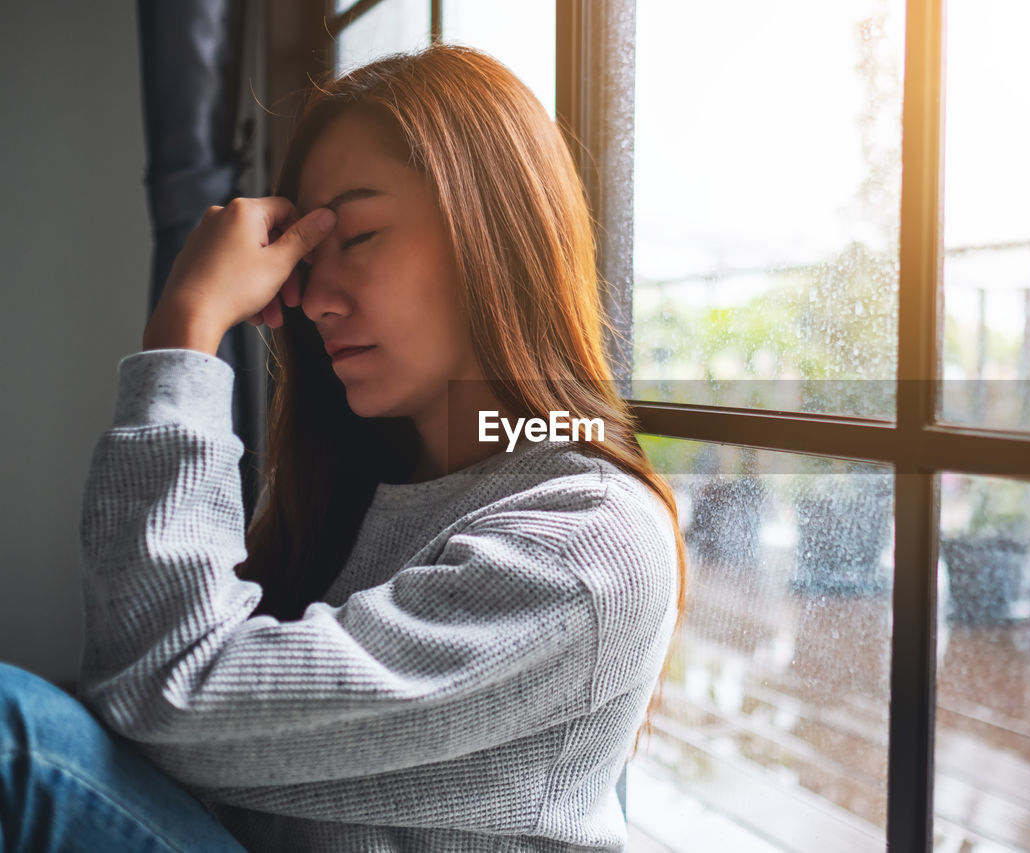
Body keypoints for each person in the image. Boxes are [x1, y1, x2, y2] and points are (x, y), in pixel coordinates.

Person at [0, 43, 686, 852]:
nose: (316, 300)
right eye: (306, 260)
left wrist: (185, 332)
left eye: (356, 236)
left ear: (492, 229)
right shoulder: (361, 487)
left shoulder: (586, 543)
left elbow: (169, 693)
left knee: (19, 739)